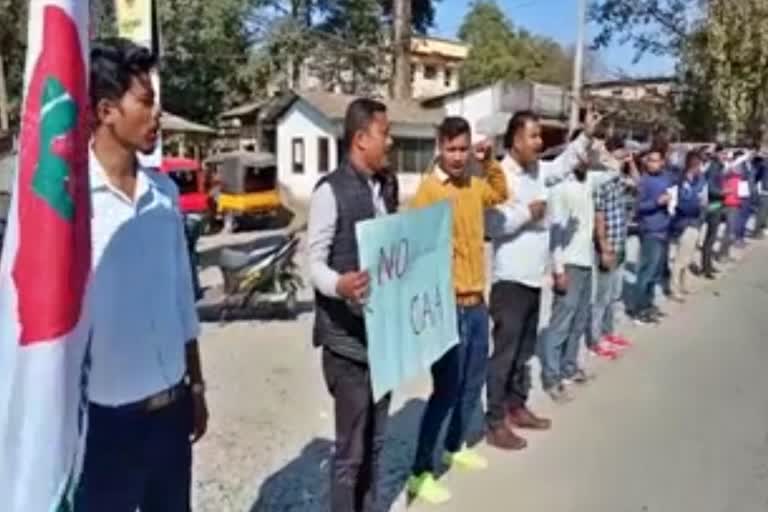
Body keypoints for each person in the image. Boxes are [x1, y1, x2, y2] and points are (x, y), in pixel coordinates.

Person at [75, 39, 208, 511]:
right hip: (104, 426)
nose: (156, 114)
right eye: (146, 102)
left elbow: (181, 301)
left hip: (170, 415)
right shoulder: (72, 204)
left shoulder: (165, 194)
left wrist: (196, 385)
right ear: (107, 110)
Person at [407, 117, 508, 504]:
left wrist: (491, 160)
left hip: (476, 303)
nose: (457, 156)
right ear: (439, 147)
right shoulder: (428, 193)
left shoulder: (474, 184)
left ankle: (453, 446)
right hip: (446, 307)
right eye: (451, 149)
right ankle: (420, 471)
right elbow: (412, 251)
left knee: (472, 382)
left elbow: (500, 192)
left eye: (463, 149)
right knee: (445, 390)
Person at [484, 110, 599, 450]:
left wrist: (587, 135)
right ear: (515, 139)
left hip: (535, 280)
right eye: (533, 136)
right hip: (510, 281)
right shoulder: (499, 175)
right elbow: (491, 226)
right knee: (504, 356)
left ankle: (516, 407)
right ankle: (494, 422)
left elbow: (565, 163)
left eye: (539, 137)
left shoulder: (539, 171)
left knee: (522, 354)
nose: (539, 142)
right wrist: (526, 214)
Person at [307, 97, 397, 512]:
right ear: (361, 139)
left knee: (377, 443)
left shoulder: (386, 186)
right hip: (347, 344)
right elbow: (313, 263)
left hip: (382, 341)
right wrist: (339, 285)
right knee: (351, 453)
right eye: (384, 134)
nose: (391, 142)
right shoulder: (330, 191)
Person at [538, 155, 596, 403]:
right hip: (569, 264)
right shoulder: (559, 188)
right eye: (581, 153)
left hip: (586, 261)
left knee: (579, 320)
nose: (586, 159)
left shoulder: (588, 182)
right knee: (561, 322)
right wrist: (558, 269)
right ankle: (552, 378)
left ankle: (568, 367)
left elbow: (614, 171)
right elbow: (555, 233)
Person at [588, 136, 637, 359]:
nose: (622, 156)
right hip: (607, 246)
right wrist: (604, 247)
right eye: (619, 153)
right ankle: (595, 339)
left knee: (614, 295)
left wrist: (631, 163)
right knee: (602, 296)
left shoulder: (619, 179)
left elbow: (638, 183)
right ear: (609, 155)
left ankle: (608, 334)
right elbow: (598, 216)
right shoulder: (601, 180)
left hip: (621, 243)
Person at [631, 149, 672, 324]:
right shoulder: (644, 182)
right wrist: (657, 202)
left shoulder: (666, 178)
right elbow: (639, 207)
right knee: (646, 272)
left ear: (662, 162)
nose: (653, 163)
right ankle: (638, 308)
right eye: (650, 160)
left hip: (664, 229)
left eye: (656, 160)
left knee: (655, 273)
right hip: (650, 231)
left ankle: (649, 305)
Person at [668, 150, 707, 299]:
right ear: (691, 164)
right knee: (681, 258)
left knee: (688, 257)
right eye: (697, 164)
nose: (699, 168)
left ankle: (684, 285)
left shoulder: (700, 179)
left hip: (696, 221)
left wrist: (701, 203)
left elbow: (703, 199)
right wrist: (698, 202)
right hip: (685, 222)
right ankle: (674, 288)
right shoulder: (681, 181)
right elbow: (684, 204)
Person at [701, 145, 726, 279]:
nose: (725, 156)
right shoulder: (714, 168)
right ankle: (706, 267)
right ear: (716, 154)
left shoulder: (719, 167)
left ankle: (708, 264)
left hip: (718, 203)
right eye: (722, 154)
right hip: (714, 204)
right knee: (710, 236)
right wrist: (723, 192)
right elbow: (710, 188)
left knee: (713, 236)